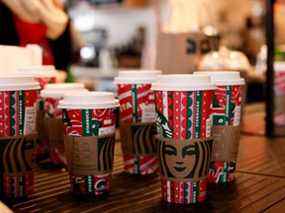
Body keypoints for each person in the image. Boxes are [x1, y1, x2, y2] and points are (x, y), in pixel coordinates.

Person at [0, 0, 73, 73]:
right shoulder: (7, 4)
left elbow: (64, 49)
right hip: (14, 74)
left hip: (53, 74)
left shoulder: (55, 7)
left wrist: (60, 73)